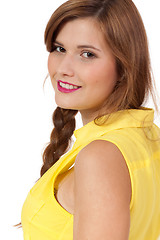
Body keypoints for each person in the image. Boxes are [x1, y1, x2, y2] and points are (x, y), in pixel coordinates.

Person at [20, 0, 160, 239]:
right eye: (59, 48)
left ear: (124, 67)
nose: (64, 68)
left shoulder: (100, 156)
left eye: (87, 54)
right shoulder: (147, 134)